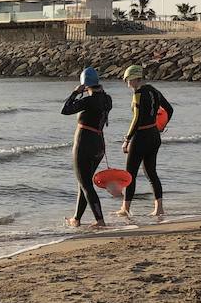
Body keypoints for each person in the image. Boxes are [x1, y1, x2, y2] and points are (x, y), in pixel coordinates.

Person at [118, 63, 173, 219]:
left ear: (135, 78)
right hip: (154, 135)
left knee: (130, 174)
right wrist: (161, 126)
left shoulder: (138, 94)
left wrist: (127, 139)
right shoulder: (154, 91)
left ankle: (125, 209)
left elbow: (137, 119)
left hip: (141, 137)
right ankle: (159, 208)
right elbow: (169, 109)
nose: (126, 83)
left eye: (127, 80)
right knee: (151, 172)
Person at [60, 66, 112, 229]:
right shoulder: (107, 99)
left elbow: (65, 110)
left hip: (84, 144)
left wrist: (75, 92)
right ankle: (76, 218)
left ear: (85, 84)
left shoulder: (89, 101)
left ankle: (100, 221)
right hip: (99, 144)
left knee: (85, 184)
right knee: (84, 183)